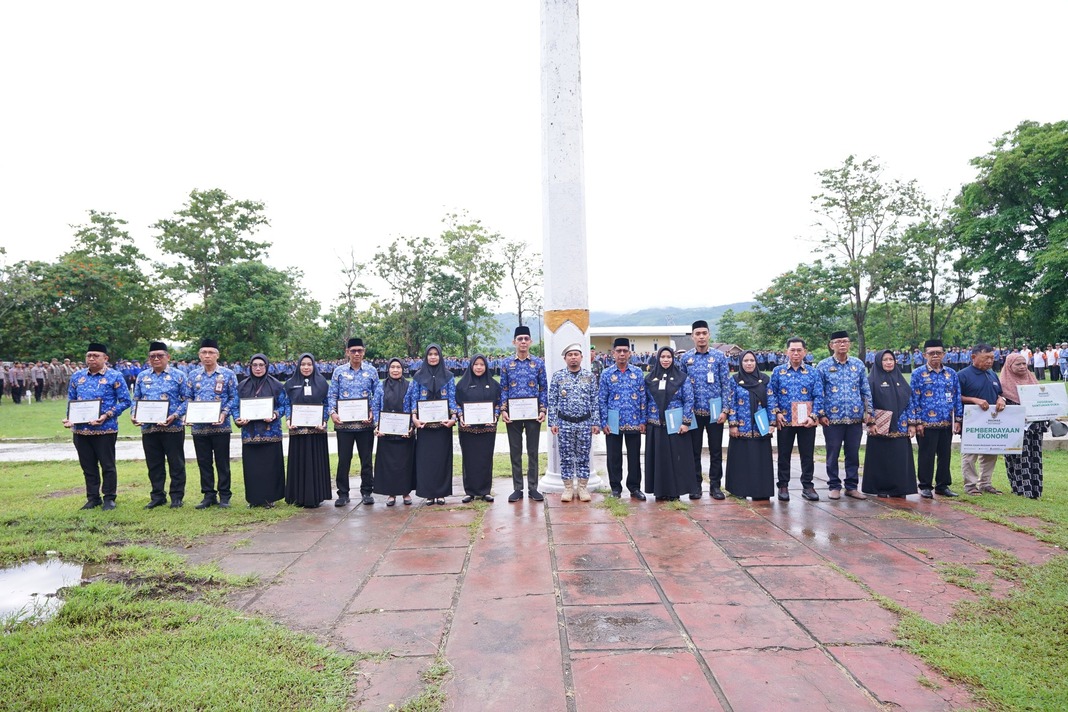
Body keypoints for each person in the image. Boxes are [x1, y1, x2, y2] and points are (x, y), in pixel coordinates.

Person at [63, 342, 132, 510]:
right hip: (81, 431)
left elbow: (125, 401)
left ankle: (109, 497)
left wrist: (107, 414)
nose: (91, 359)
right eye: (89, 356)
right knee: (88, 466)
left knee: (107, 466)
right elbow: (72, 400)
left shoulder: (115, 376)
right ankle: (93, 498)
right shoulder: (77, 376)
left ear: (105, 358)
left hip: (105, 429)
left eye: (96, 356)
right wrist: (69, 418)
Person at [679, 320, 732, 500]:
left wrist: (725, 410)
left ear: (709, 335)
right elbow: (681, 387)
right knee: (694, 451)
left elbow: (726, 385)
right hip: (693, 413)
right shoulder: (686, 358)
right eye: (697, 334)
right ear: (692, 336)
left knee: (716, 451)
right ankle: (695, 485)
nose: (701, 337)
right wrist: (684, 414)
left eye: (704, 333)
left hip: (715, 413)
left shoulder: (719, 357)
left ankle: (715, 486)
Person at [131, 341, 188, 509]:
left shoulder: (179, 375)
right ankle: (157, 496)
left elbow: (187, 399)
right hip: (149, 428)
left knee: (176, 463)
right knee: (154, 464)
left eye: (160, 356)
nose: (156, 359)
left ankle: (176, 496)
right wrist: (134, 414)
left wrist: (175, 415)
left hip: (172, 427)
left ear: (168, 357)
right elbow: (136, 399)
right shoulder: (142, 376)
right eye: (152, 356)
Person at [817, 330, 873, 500]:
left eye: (845, 341)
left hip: (855, 418)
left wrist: (869, 412)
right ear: (831, 345)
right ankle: (834, 485)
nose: (842, 344)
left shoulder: (858, 364)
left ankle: (851, 486)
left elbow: (865, 390)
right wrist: (821, 414)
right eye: (838, 342)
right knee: (833, 453)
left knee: (853, 453)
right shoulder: (823, 366)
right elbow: (819, 392)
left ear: (849, 344)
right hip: (832, 419)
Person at [767, 337, 823, 502]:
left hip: (807, 422)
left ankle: (808, 485)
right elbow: (771, 394)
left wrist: (814, 416)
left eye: (799, 350)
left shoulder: (813, 372)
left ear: (805, 352)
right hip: (785, 420)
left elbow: (819, 395)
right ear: (787, 352)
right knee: (784, 454)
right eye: (793, 350)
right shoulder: (778, 371)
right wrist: (776, 413)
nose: (796, 353)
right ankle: (783, 485)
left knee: (807, 455)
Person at [188, 339, 240, 509]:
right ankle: (208, 495)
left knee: (222, 462)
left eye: (211, 352)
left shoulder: (228, 374)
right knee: (204, 462)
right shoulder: (193, 375)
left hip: (220, 426)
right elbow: (188, 397)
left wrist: (224, 413)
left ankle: (225, 495)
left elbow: (234, 397)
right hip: (199, 428)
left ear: (217, 355)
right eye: (204, 352)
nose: (207, 356)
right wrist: (187, 414)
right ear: (199, 355)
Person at [499, 325, 548, 502]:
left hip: (533, 415)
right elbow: (503, 388)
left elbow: (543, 388)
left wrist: (543, 409)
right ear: (514, 342)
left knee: (533, 451)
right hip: (513, 415)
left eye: (526, 339)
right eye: (520, 339)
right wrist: (503, 410)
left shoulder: (538, 363)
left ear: (530, 341)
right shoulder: (506, 364)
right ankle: (517, 488)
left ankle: (533, 487)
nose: (523, 342)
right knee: (515, 451)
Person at [328, 337, 379, 506]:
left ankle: (367, 491)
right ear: (347, 352)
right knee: (344, 460)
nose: (357, 353)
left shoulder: (371, 371)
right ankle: (343, 494)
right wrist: (332, 413)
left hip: (365, 425)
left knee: (366, 460)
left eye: (360, 350)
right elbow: (332, 394)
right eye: (353, 351)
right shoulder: (339, 371)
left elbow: (377, 395)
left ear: (364, 352)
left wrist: (372, 411)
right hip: (344, 425)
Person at [908, 339, 962, 498]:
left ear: (944, 354)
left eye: (939, 353)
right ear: (925, 355)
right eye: (931, 353)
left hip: (946, 422)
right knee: (927, 455)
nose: (935, 356)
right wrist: (917, 422)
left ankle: (942, 485)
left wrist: (958, 420)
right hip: (926, 423)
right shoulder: (918, 374)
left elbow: (957, 397)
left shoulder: (951, 373)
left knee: (945, 455)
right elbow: (913, 399)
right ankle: (925, 486)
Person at [548, 344, 601, 503]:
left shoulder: (589, 377)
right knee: (566, 457)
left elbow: (594, 400)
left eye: (576, 354)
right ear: (565, 358)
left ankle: (583, 488)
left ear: (581, 357)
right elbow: (552, 400)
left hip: (584, 422)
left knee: (583, 456)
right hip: (565, 422)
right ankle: (568, 488)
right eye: (570, 355)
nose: (573, 358)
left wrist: (595, 422)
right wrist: (553, 421)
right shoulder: (558, 377)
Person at [406, 344, 458, 505]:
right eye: (430, 354)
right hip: (424, 427)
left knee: (442, 460)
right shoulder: (418, 376)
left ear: (440, 356)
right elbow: (414, 398)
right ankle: (428, 493)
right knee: (426, 460)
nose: (433, 357)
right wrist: (414, 418)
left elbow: (452, 398)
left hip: (443, 426)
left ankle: (441, 493)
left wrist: (453, 418)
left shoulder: (449, 376)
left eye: (436, 354)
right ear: (426, 357)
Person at [861, 350, 917, 498]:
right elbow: (867, 403)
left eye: (891, 359)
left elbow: (910, 402)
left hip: (900, 427)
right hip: (880, 427)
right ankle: (881, 488)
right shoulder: (871, 381)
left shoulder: (901, 380)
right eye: (885, 360)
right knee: (881, 458)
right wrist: (871, 422)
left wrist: (911, 423)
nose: (888, 362)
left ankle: (900, 489)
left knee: (900, 458)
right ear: (879, 362)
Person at [235, 354, 288, 508]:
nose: (258, 368)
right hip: (250, 433)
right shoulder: (242, 386)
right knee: (252, 468)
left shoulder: (276, 385)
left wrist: (275, 414)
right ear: (250, 367)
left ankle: (270, 498)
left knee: (270, 467)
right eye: (255, 365)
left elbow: (284, 405)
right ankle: (254, 499)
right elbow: (235, 406)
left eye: (261, 365)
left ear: (266, 366)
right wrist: (238, 418)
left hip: (270, 432)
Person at [598, 338, 648, 499]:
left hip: (634, 421)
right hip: (613, 423)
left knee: (634, 457)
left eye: (625, 351)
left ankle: (634, 487)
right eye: (618, 351)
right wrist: (603, 422)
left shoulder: (637, 372)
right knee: (614, 457)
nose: (621, 354)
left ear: (629, 353)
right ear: (613, 353)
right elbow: (602, 399)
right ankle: (615, 488)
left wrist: (643, 420)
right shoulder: (606, 374)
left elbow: (643, 397)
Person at [643, 346, 695, 501]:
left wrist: (686, 422)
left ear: (673, 359)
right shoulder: (649, 379)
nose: (665, 360)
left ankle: (675, 491)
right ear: (658, 358)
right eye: (662, 357)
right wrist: (644, 422)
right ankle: (659, 491)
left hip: (676, 426)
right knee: (659, 459)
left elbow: (689, 400)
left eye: (669, 357)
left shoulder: (682, 378)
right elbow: (644, 402)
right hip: (656, 425)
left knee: (676, 459)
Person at [724, 351, 775, 500]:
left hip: (761, 427)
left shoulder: (765, 380)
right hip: (741, 427)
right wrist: (733, 424)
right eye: (745, 361)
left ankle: (761, 491)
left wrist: (772, 422)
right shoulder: (734, 380)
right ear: (741, 363)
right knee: (741, 460)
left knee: (760, 460)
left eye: (752, 360)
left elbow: (771, 401)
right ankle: (739, 490)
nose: (749, 363)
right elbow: (731, 402)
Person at [958, 344, 1007, 496]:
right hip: (972, 422)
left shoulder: (992, 374)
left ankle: (985, 483)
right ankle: (970, 485)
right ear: (973, 357)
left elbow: (999, 393)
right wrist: (973, 400)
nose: (990, 361)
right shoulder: (962, 375)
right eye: (986, 358)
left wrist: (1001, 399)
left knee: (990, 452)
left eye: (992, 358)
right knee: (970, 454)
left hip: (991, 422)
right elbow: (955, 397)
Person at [283, 353, 331, 508]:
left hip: (317, 431)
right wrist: (289, 419)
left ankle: (316, 496)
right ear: (298, 366)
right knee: (299, 462)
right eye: (303, 364)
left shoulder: (322, 383)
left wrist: (324, 420)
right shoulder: (290, 383)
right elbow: (286, 403)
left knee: (315, 463)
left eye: (309, 364)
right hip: (298, 431)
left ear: (313, 365)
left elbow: (327, 403)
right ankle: (298, 496)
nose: (306, 367)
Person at [998, 353, 1047, 498]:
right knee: (1017, 457)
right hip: (1014, 427)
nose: (1022, 367)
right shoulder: (1003, 384)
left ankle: (1035, 490)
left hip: (1034, 427)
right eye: (1018, 364)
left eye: (1024, 363)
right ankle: (1020, 489)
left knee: (1035, 456)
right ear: (1009, 366)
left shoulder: (1032, 379)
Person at [456, 354, 500, 503]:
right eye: (476, 364)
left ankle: (485, 491)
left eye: (482, 364)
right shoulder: (462, 385)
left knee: (485, 459)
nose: (479, 367)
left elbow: (499, 403)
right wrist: (461, 416)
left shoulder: (494, 384)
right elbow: (456, 404)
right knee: (469, 459)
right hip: (467, 429)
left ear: (486, 366)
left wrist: (495, 415)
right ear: (471, 366)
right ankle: (470, 492)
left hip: (487, 429)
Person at [371, 358, 416, 506]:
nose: (395, 370)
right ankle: (391, 494)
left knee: (404, 464)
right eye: (392, 367)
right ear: (388, 369)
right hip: (386, 433)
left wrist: (411, 426)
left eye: (398, 367)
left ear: (403, 369)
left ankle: (405, 493)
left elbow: (413, 406)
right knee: (389, 464)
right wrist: (377, 425)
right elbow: (375, 406)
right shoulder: (381, 385)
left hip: (404, 433)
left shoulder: (409, 386)